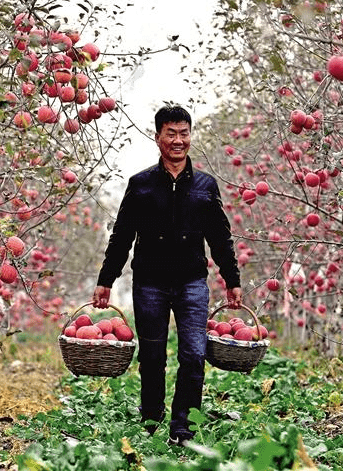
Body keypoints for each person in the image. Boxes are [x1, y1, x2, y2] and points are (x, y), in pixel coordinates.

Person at [91, 104, 242, 445]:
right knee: (153, 356)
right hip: (150, 283)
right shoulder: (141, 185)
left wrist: (232, 280)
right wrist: (106, 279)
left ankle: (183, 425)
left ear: (190, 136)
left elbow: (220, 237)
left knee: (193, 354)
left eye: (184, 133)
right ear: (157, 136)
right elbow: (122, 236)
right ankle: (151, 417)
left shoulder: (205, 186)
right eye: (171, 134)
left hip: (191, 282)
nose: (178, 141)